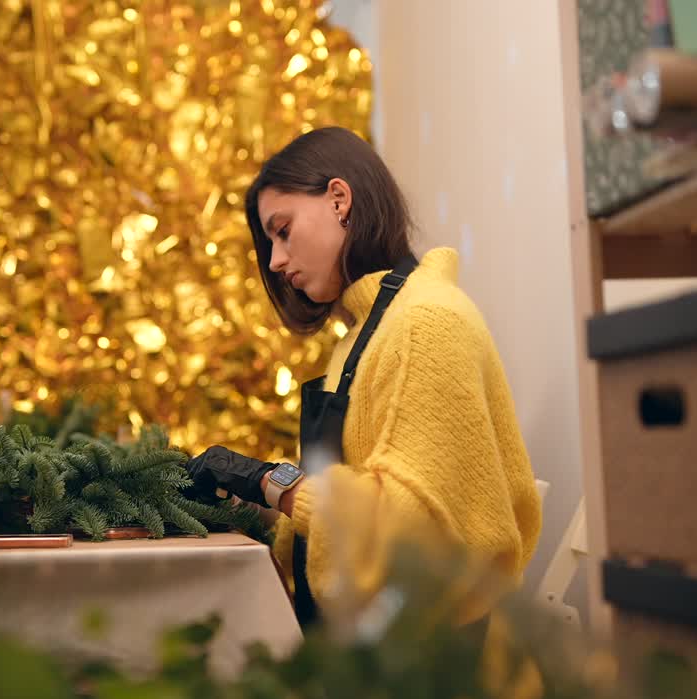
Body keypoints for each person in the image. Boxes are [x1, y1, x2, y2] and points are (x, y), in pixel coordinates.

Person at [186, 127, 542, 632]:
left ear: (338, 200)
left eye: (282, 230)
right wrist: (253, 507)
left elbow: (413, 531)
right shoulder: (359, 338)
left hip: (429, 671)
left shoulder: (426, 324)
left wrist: (273, 482)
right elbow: (343, 515)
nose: (275, 260)